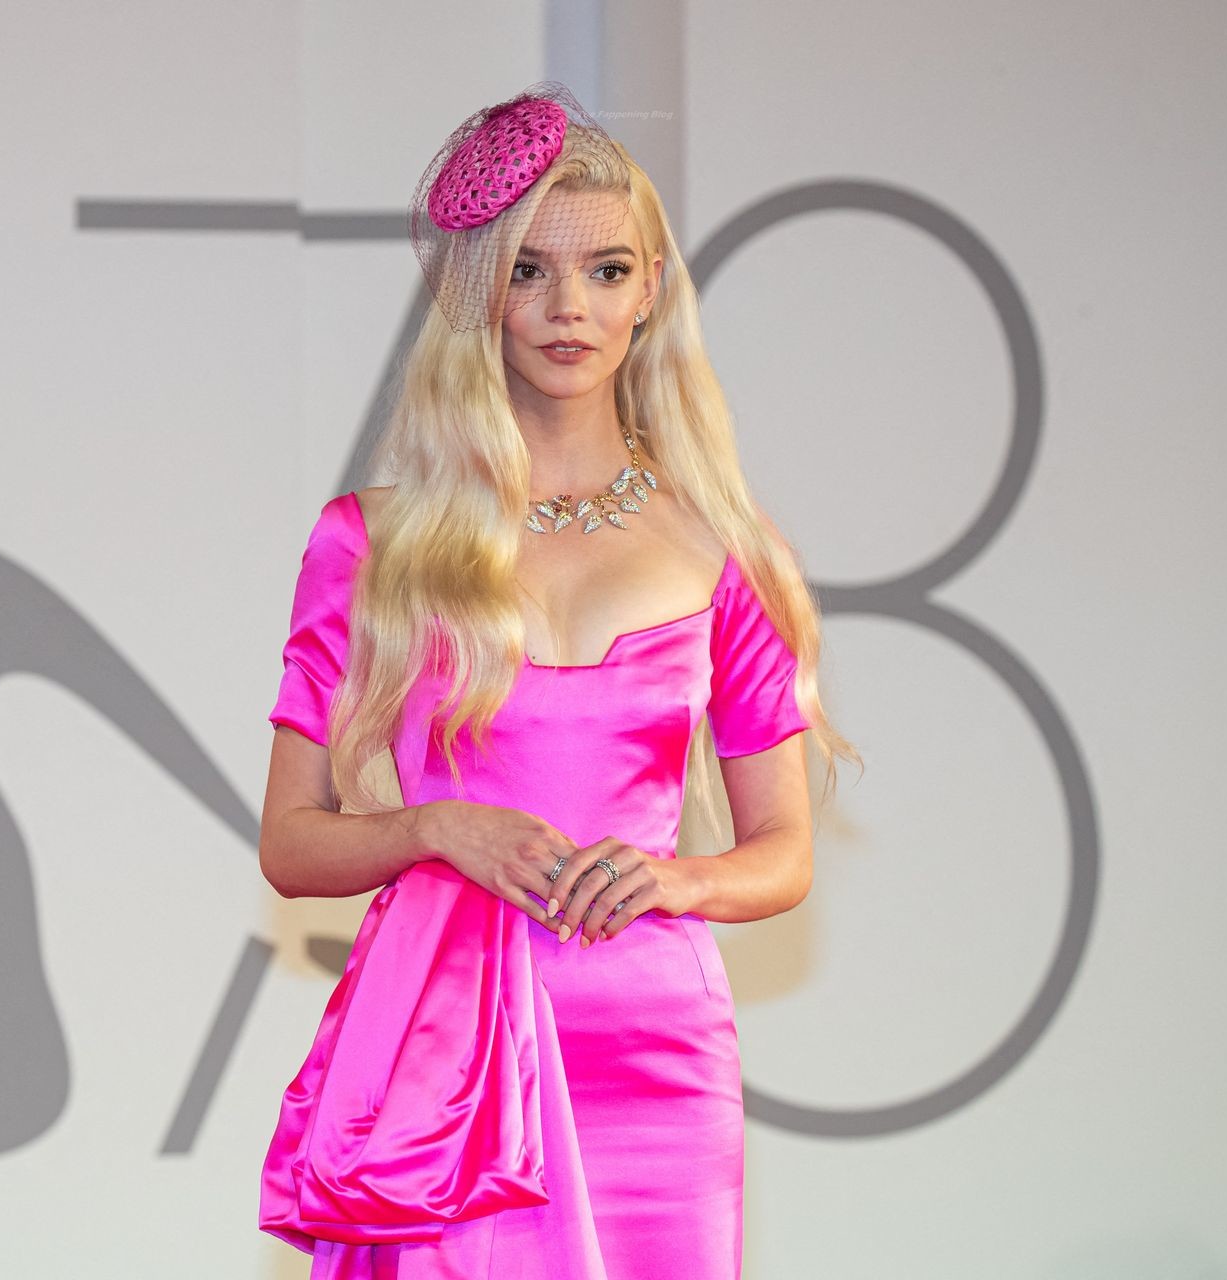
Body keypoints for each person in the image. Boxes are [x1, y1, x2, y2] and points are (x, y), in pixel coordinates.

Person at [255, 83, 860, 1278]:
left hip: (655, 1047)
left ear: (650, 291)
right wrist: (437, 826)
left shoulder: (729, 551)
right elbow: (291, 841)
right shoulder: (372, 542)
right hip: (451, 1042)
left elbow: (783, 851)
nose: (569, 305)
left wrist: (676, 875)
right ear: (481, 292)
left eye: (606, 270)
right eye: (529, 270)